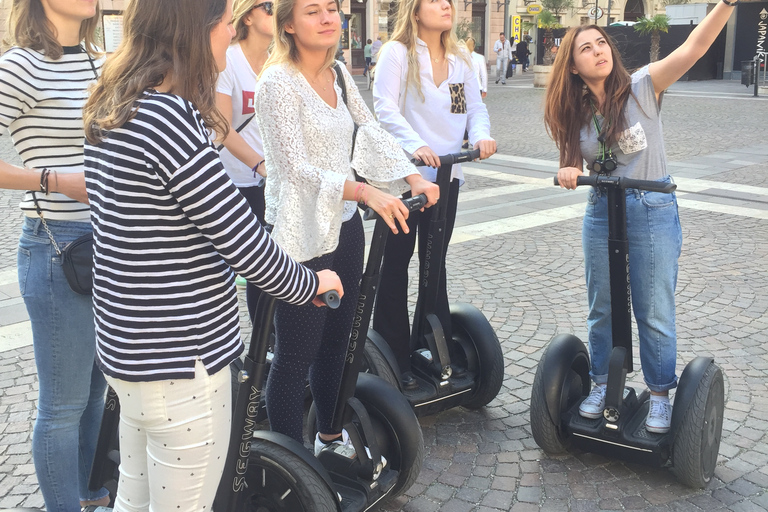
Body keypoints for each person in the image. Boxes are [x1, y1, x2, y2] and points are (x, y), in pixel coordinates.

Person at [82, 0, 342, 509]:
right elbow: (241, 240)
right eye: (225, 23)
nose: (230, 33)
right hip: (182, 361)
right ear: (194, 31)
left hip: (127, 353)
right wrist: (312, 284)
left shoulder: (114, 102)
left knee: (133, 499)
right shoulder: (168, 117)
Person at [545, 2, 738, 435]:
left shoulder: (643, 86)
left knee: (653, 309)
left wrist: (726, 4)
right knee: (602, 307)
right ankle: (600, 385)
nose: (598, 52)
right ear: (573, 67)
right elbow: (572, 165)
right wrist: (568, 172)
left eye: (601, 44)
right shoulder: (573, 112)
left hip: (652, 208)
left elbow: (694, 47)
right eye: (586, 49)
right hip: (601, 211)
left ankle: (659, 395)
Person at [255, 0, 439, 449]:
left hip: (344, 224)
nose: (326, 18)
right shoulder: (277, 82)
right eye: (312, 11)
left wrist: (412, 177)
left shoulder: (338, 72)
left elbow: (369, 130)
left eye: (332, 9)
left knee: (339, 339)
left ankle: (329, 436)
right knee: (297, 352)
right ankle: (288, 460)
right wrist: (365, 191)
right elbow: (295, 167)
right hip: (298, 233)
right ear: (289, 27)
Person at [0, 1, 110, 510]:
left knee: (94, 394)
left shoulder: (98, 61)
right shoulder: (19, 64)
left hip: (107, 242)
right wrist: (51, 179)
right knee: (63, 405)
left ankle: (89, 495)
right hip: (54, 245)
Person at [372, 0, 496, 390]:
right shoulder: (398, 54)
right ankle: (391, 355)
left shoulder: (461, 60)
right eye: (436, 1)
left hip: (447, 177)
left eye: (450, 2)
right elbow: (385, 110)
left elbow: (472, 107)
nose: (447, 5)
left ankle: (431, 347)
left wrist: (480, 136)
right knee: (395, 265)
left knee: (434, 263)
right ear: (415, 9)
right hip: (406, 180)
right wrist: (416, 145)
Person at [215, 0, 274, 321]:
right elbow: (222, 127)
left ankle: (265, 344)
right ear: (248, 15)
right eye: (268, 6)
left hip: (273, 182)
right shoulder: (229, 60)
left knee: (265, 268)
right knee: (228, 266)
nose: (276, 11)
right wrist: (260, 164)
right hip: (235, 180)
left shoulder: (277, 62)